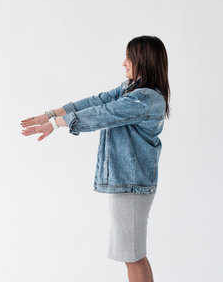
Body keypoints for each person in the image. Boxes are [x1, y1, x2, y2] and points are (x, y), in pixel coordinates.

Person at [21, 36, 170, 282]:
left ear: (144, 60)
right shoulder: (131, 90)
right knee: (131, 253)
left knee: (133, 255)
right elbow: (97, 101)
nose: (124, 63)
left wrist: (56, 124)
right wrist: (50, 114)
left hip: (131, 186)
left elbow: (103, 114)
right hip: (128, 184)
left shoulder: (144, 98)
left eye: (129, 57)